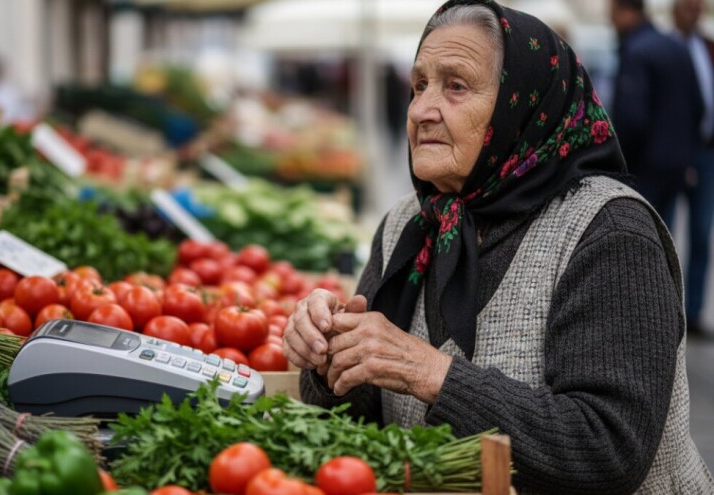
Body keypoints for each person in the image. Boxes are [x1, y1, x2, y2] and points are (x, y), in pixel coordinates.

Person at [282, 1, 714, 492]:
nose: (422, 110)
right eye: (419, 85)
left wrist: (430, 372)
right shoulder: (411, 222)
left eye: (456, 86)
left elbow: (608, 450)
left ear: (522, 101)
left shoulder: (611, 231)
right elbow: (356, 421)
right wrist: (328, 354)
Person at [610, 0, 703, 225]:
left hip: (644, 167)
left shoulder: (637, 50)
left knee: (640, 237)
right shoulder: (676, 47)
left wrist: (619, 162)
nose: (612, 21)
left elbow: (632, 118)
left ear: (628, 12)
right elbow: (698, 105)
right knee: (664, 235)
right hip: (675, 164)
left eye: (613, 14)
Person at [674, 0, 714, 337]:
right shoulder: (666, 47)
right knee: (666, 233)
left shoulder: (707, 47)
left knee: (701, 235)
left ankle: (694, 313)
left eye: (698, 6)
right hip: (674, 153)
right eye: (689, 5)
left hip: (706, 152)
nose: (695, 10)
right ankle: (667, 311)